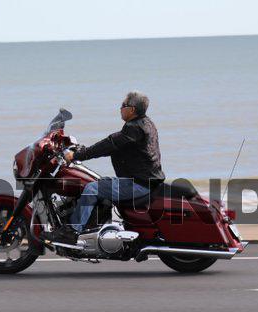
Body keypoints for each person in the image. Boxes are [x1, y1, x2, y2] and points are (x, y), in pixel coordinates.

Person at [41, 91, 165, 245]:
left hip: (139, 184)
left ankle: (72, 232)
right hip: (145, 181)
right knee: (97, 182)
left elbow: (109, 144)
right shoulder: (146, 123)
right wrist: (81, 150)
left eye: (123, 105)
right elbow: (113, 146)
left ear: (132, 109)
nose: (120, 108)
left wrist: (76, 155)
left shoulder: (134, 129)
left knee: (92, 188)